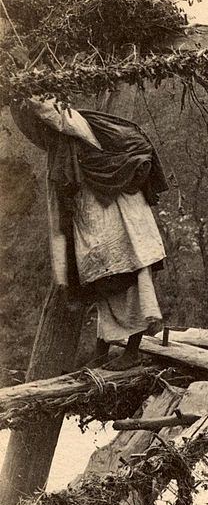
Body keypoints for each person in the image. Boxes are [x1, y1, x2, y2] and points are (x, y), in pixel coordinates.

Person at [9, 95, 168, 371]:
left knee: (133, 284)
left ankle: (132, 351)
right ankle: (101, 352)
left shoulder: (78, 124)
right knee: (104, 285)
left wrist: (28, 97)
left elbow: (55, 114)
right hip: (102, 224)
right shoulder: (65, 145)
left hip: (125, 220)